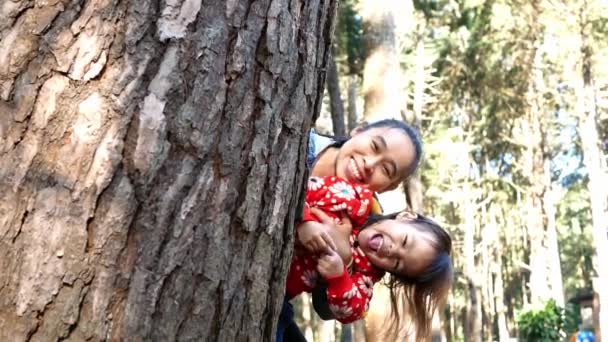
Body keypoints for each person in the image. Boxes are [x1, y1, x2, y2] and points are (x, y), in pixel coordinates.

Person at [277, 119, 453, 341]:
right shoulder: (300, 143)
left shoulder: (367, 220)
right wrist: (302, 220)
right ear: (358, 131)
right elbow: (282, 189)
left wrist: (345, 263)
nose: (370, 164)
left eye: (386, 170)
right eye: (375, 146)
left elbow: (331, 308)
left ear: (389, 187)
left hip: (274, 290)